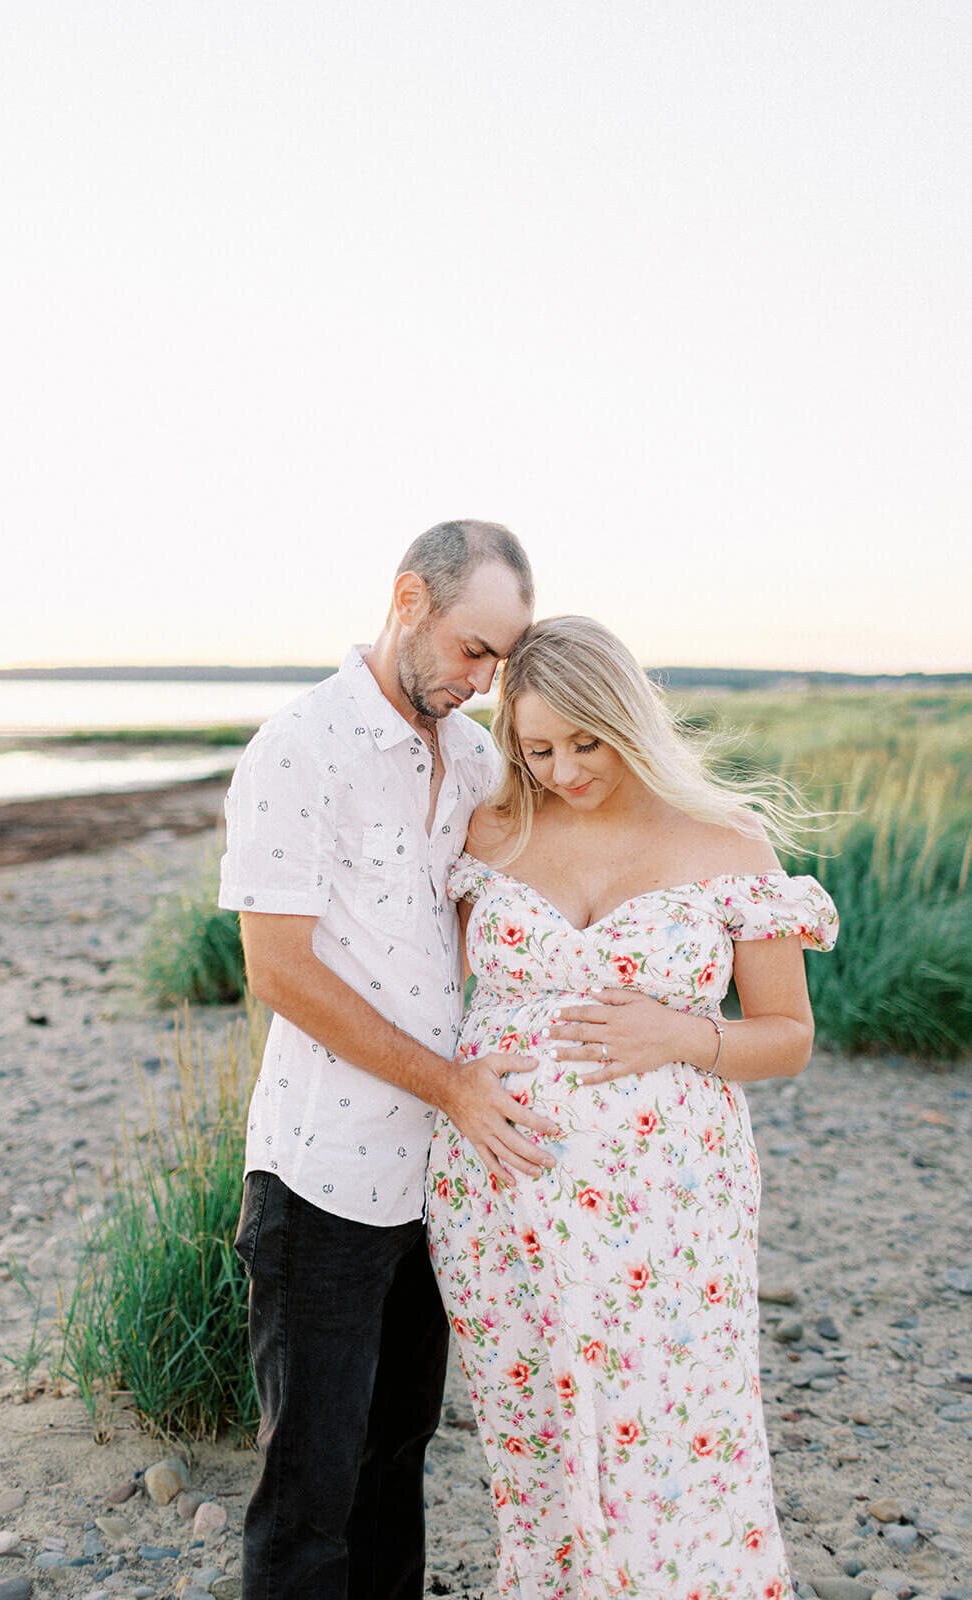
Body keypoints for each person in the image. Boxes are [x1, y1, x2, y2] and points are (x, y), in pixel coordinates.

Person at [428, 616, 839, 1600]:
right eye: (536, 747)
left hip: (668, 1200)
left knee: (668, 1424)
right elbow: (435, 994)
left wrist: (684, 1036)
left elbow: (786, 1033)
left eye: (586, 742)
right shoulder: (488, 834)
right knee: (527, 1431)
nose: (563, 768)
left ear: (628, 720)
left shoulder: (724, 843)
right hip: (499, 1196)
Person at [218, 520, 558, 1600]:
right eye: (472, 649)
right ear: (408, 597)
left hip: (434, 1183)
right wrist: (454, 1084)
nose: (485, 680)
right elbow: (278, 970)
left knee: (396, 1453)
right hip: (321, 1178)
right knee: (308, 1483)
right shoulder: (297, 746)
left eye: (502, 660)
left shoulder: (469, 755)